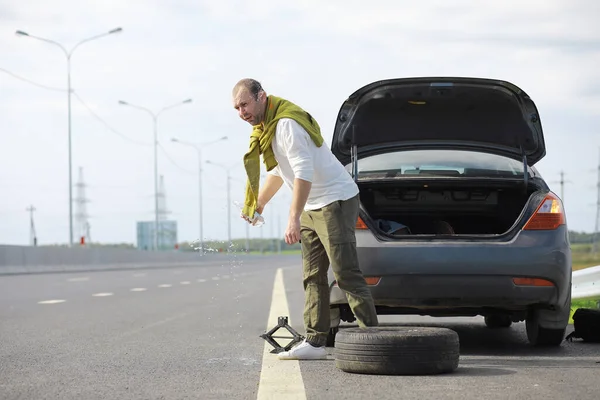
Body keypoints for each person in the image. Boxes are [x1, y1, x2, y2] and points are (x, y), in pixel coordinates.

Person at [232, 78, 379, 360]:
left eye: (245, 104)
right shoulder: (267, 128)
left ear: (261, 96)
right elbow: (279, 172)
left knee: (345, 272)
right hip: (312, 202)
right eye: (237, 108)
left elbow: (303, 172)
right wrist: (259, 204)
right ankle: (315, 341)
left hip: (335, 198)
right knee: (312, 275)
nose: (242, 113)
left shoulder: (286, 125)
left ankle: (372, 338)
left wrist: (293, 218)